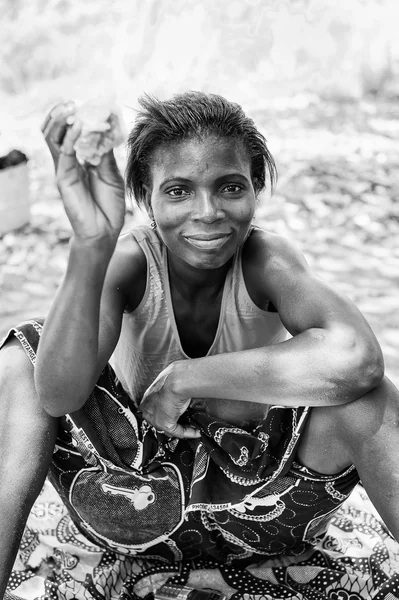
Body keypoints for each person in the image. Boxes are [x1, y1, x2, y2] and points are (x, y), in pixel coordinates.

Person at [1, 91, 399, 599]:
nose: (207, 212)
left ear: (256, 189)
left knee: (368, 400)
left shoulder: (267, 260)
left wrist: (185, 378)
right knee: (24, 356)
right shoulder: (128, 263)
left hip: (263, 508)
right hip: (132, 506)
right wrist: (90, 246)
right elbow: (57, 395)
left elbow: (358, 359)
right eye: (178, 191)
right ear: (146, 198)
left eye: (230, 187)